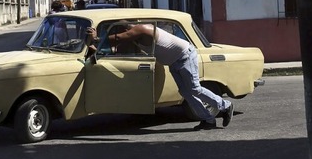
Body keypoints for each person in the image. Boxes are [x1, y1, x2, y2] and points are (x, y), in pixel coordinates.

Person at [86, 22, 234, 130]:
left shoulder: (141, 29)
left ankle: (225, 106)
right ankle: (208, 120)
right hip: (174, 61)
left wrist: (96, 38)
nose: (122, 36)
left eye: (120, 33)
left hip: (185, 57)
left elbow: (117, 39)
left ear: (125, 29)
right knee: (185, 92)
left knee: (194, 89)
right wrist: (94, 48)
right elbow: (115, 49)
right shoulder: (134, 38)